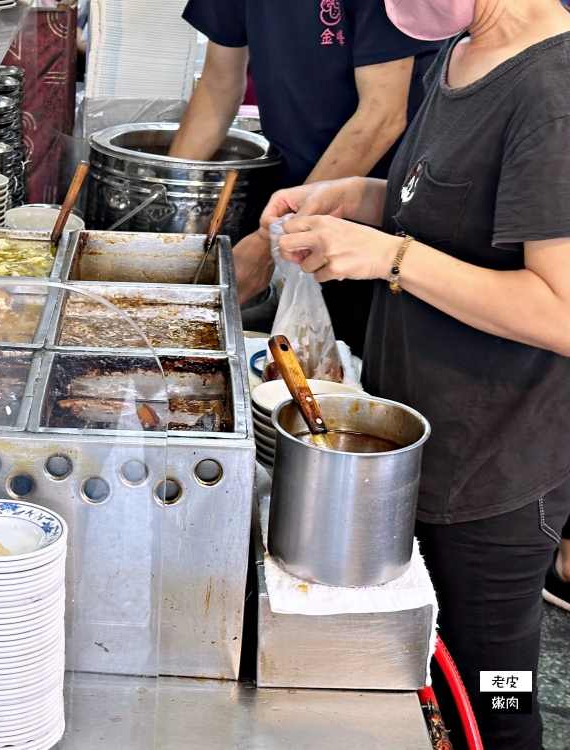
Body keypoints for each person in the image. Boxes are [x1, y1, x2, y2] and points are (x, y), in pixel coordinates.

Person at [259, 0, 570, 745]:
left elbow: (559, 309)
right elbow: (430, 209)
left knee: (496, 693)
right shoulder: (463, 54)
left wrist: (391, 259)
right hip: (417, 444)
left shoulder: (550, 90)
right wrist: (352, 203)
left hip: (496, 473)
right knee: (419, 684)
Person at [170, 0, 439, 355]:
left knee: (351, 365)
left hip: (376, 210)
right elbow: (218, 86)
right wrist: (169, 192)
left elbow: (380, 117)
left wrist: (277, 237)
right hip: (293, 195)